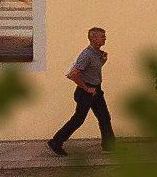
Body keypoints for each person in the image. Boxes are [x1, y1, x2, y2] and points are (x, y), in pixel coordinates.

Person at [47, 25, 114, 155]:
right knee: (78, 119)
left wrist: (103, 61)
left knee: (105, 117)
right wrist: (86, 88)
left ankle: (109, 146)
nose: (105, 38)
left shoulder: (96, 53)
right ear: (93, 38)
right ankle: (56, 142)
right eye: (102, 36)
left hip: (96, 90)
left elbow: (92, 70)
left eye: (105, 36)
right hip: (86, 92)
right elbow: (74, 74)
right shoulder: (87, 54)